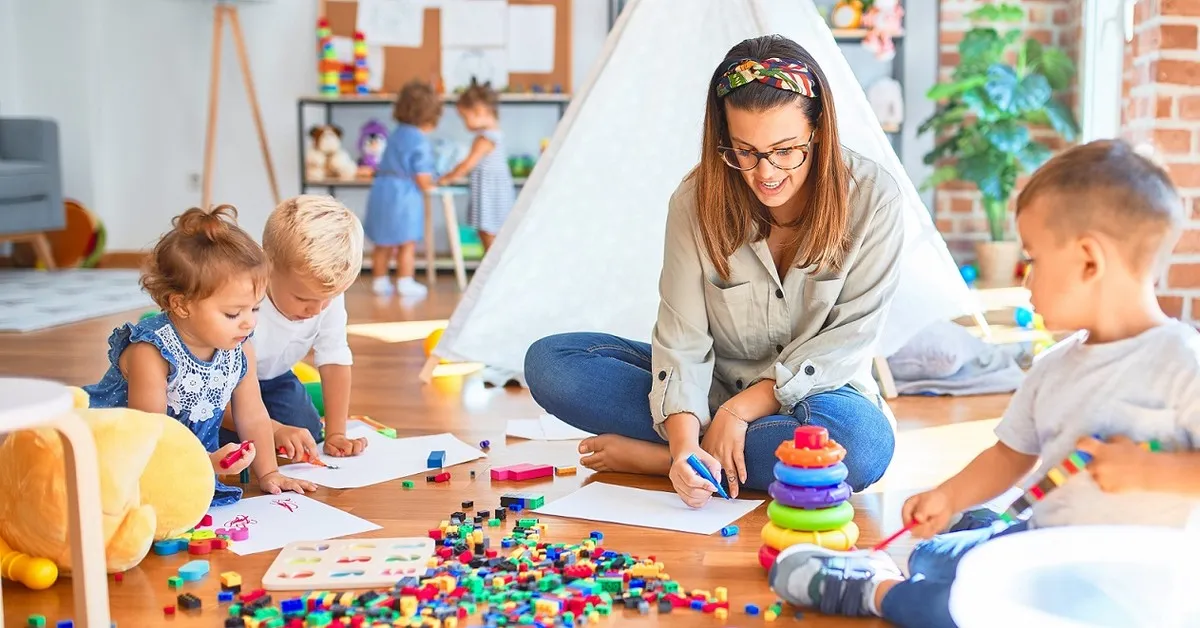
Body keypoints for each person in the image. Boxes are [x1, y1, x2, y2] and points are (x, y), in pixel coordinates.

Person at [769, 139, 1200, 626]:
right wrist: (950, 497)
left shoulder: (1183, 363)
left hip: (1125, 593)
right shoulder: (1055, 366)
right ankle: (976, 530)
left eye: (1033, 259)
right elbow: (1010, 455)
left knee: (953, 609)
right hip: (1041, 543)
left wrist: (1148, 472)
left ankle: (873, 591)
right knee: (929, 558)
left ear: (1088, 261)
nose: (1026, 279)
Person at [523, 35, 904, 507]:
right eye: (744, 151)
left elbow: (847, 340)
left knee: (860, 446)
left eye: (785, 150)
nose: (765, 173)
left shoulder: (874, 199)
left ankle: (658, 459)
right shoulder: (695, 201)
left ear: (820, 131)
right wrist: (684, 444)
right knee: (551, 365)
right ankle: (701, 459)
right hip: (712, 389)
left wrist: (741, 412)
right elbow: (681, 338)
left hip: (816, 397)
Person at [85, 206, 317, 506]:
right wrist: (205, 462)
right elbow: (149, 433)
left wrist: (269, 474)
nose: (249, 322)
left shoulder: (240, 344)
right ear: (181, 305)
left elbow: (253, 414)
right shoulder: (151, 352)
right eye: (233, 313)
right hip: (123, 455)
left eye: (255, 308)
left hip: (188, 462)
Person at [217, 195, 369, 457]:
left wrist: (336, 433)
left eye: (327, 300)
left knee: (308, 431)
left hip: (274, 378)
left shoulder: (323, 295)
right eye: (302, 299)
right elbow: (209, 394)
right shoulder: (242, 299)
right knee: (228, 439)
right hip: (221, 385)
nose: (317, 309)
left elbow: (334, 358)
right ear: (268, 268)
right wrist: (272, 430)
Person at [364, 79, 441, 298]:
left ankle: (379, 281)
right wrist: (433, 183)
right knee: (407, 242)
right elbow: (423, 178)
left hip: (382, 188)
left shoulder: (396, 133)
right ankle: (405, 281)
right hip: (403, 194)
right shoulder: (419, 139)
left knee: (383, 241)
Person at [439, 77, 516, 252]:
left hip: (491, 194)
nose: (465, 124)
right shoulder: (495, 135)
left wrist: (448, 178)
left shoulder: (484, 139)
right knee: (491, 234)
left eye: (465, 117)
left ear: (480, 111)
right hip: (494, 191)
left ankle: (491, 271)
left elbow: (467, 164)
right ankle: (491, 269)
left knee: (488, 233)